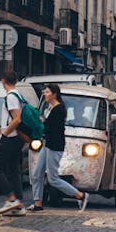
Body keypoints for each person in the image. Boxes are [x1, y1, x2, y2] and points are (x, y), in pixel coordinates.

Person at [28, 83, 89, 212]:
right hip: (47, 143)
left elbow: (50, 127)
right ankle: (37, 203)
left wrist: (41, 120)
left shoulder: (59, 109)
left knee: (53, 179)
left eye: (47, 92)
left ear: (54, 94)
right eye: (44, 92)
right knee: (36, 173)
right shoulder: (50, 108)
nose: (45, 94)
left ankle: (80, 195)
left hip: (55, 146)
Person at [0, 70, 26, 216]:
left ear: (3, 81)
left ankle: (12, 199)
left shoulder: (11, 97)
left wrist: (5, 133)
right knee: (13, 170)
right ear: (16, 81)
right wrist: (1, 130)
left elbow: (16, 119)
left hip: (11, 138)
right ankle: (19, 205)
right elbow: (12, 120)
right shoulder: (18, 95)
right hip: (16, 137)